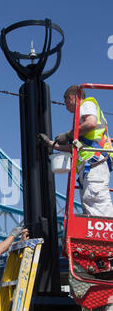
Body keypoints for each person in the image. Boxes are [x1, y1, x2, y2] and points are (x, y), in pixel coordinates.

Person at [42, 85, 113, 217]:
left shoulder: (86, 104)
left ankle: (105, 235)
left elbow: (91, 123)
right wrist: (52, 144)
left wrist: (68, 135)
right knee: (91, 204)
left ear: (71, 97)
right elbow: (77, 146)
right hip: (90, 166)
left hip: (95, 164)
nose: (66, 107)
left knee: (97, 205)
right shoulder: (81, 127)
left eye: (66, 103)